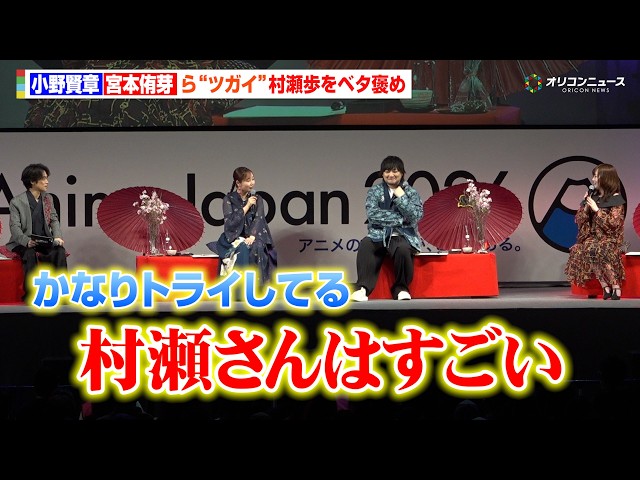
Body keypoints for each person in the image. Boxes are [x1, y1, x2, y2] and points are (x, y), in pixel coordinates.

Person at [351, 155, 424, 301]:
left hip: (402, 235)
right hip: (378, 234)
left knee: (402, 249)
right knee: (366, 244)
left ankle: (401, 288)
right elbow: (373, 215)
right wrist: (400, 219)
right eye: (387, 171)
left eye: (395, 171)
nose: (391, 175)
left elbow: (415, 216)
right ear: (382, 173)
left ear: (402, 172)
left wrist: (401, 197)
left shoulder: (410, 192)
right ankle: (363, 288)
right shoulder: (375, 191)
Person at [5, 163, 68, 300]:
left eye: (47, 178)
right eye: (43, 178)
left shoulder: (48, 198)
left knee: (59, 251)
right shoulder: (17, 202)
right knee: (29, 253)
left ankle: (61, 293)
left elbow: (54, 219)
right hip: (23, 242)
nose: (47, 181)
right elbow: (14, 227)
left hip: (43, 240)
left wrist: (57, 236)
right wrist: (26, 241)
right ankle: (32, 293)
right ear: (33, 181)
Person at [565, 163, 626, 300]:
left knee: (599, 249)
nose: (593, 179)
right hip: (592, 236)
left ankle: (615, 285)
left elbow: (614, 224)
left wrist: (597, 210)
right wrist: (586, 207)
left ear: (606, 178)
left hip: (609, 237)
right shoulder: (592, 196)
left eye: (596, 176)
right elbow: (579, 220)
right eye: (593, 176)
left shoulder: (615, 198)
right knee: (584, 248)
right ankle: (605, 286)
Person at [207, 167, 277, 286]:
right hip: (234, 236)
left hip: (255, 236)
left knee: (257, 247)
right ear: (238, 183)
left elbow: (259, 218)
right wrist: (247, 206)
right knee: (242, 248)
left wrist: (253, 235)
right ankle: (239, 285)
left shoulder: (258, 198)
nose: (252, 183)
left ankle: (258, 287)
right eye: (248, 180)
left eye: (253, 179)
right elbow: (230, 223)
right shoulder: (228, 199)